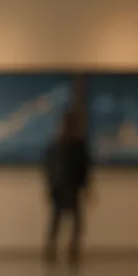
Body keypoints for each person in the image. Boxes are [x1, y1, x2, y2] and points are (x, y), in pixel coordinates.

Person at [43, 111, 92, 264]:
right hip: (69, 186)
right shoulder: (76, 145)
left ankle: (54, 249)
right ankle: (71, 250)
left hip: (59, 186)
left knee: (58, 219)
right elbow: (83, 169)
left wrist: (50, 186)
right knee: (73, 220)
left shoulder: (57, 145)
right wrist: (86, 187)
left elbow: (49, 168)